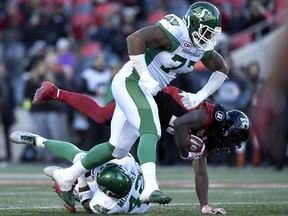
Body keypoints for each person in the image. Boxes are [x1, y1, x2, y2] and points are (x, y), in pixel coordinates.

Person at [33, 1, 229, 207]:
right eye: (206, 32)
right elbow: (134, 39)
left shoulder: (202, 48)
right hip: (132, 81)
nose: (208, 38)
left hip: (145, 89)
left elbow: (222, 69)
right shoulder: (175, 32)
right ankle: (150, 187)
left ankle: (67, 176)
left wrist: (200, 95)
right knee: (150, 129)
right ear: (192, 24)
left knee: (116, 149)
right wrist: (145, 76)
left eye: (211, 34)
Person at [31, 81, 251, 214]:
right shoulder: (211, 116)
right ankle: (56, 93)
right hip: (153, 97)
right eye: (232, 140)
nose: (230, 145)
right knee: (104, 119)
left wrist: (205, 206)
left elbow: (201, 172)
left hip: (154, 113)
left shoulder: (210, 138)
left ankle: (74, 176)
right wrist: (185, 152)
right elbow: (183, 125)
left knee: (111, 134)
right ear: (227, 129)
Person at [9, 131, 150, 214]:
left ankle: (65, 178)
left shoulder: (107, 203)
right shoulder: (126, 162)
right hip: (138, 199)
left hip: (128, 195)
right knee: (82, 157)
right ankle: (38, 141)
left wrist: (80, 177)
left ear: (105, 192)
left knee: (75, 170)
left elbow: (88, 205)